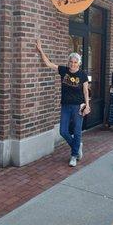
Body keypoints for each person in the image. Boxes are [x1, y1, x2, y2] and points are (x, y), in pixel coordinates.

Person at [36, 39, 90, 167]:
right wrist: (40, 50)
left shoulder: (82, 74)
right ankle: (77, 146)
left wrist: (87, 105)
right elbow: (49, 64)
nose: (72, 64)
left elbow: (86, 91)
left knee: (77, 132)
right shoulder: (63, 70)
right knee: (63, 131)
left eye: (75, 62)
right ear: (68, 62)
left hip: (78, 106)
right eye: (71, 62)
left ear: (79, 64)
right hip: (65, 106)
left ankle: (74, 155)